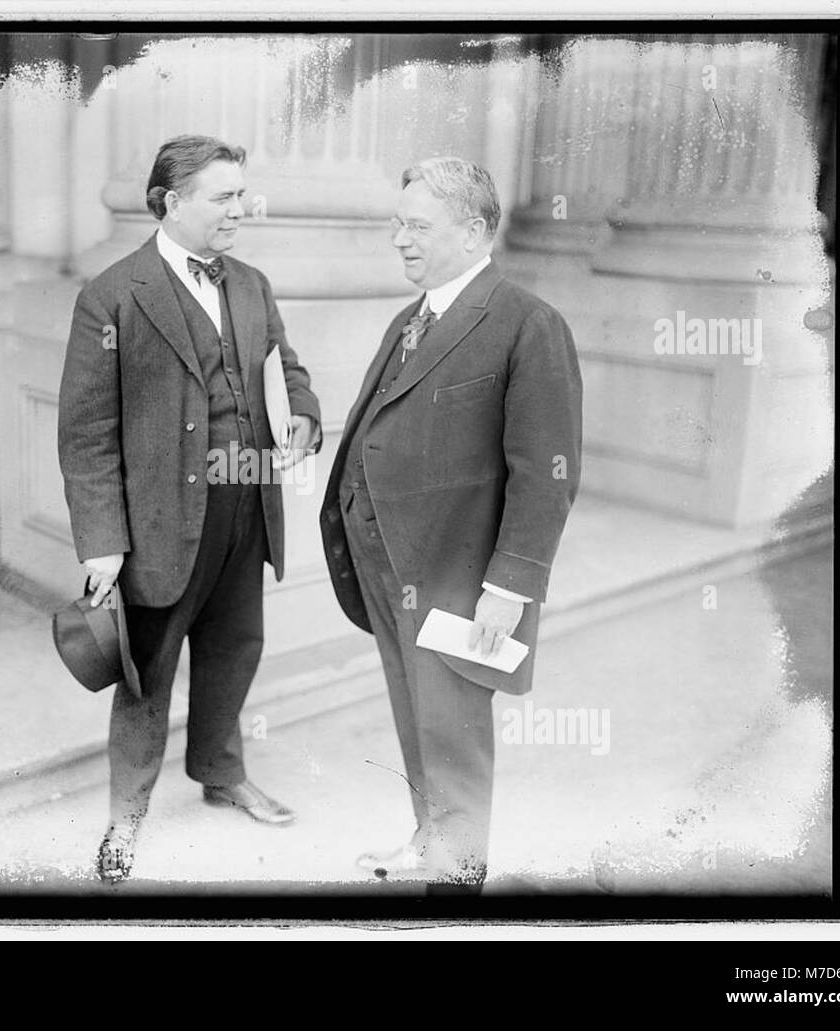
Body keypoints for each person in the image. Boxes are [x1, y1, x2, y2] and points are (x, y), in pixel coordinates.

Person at [58, 134, 322, 883]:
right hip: (159, 526)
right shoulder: (111, 296)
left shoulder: (252, 284)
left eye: (242, 194)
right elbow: (85, 433)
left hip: (245, 509)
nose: (241, 209)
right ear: (172, 203)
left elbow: (287, 369)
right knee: (147, 675)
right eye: (223, 197)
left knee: (236, 649)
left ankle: (219, 770)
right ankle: (125, 819)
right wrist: (102, 543)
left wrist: (302, 415)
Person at [318, 156, 582, 888]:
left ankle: (456, 889)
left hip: (459, 580)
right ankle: (430, 838)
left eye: (417, 227)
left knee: (455, 738)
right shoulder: (414, 316)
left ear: (472, 231)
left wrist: (511, 584)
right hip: (386, 566)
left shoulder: (529, 325)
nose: (400, 240)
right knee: (417, 724)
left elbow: (546, 473)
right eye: (396, 224)